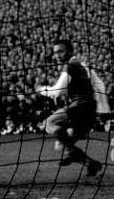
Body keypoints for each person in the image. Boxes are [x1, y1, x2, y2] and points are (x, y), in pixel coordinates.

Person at [36, 38, 102, 176]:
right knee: (62, 143)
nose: (57, 55)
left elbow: (58, 91)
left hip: (80, 107)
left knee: (49, 123)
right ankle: (91, 164)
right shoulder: (79, 65)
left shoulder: (71, 65)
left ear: (70, 51)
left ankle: (72, 152)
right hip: (90, 110)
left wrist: (41, 89)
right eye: (55, 53)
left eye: (60, 51)